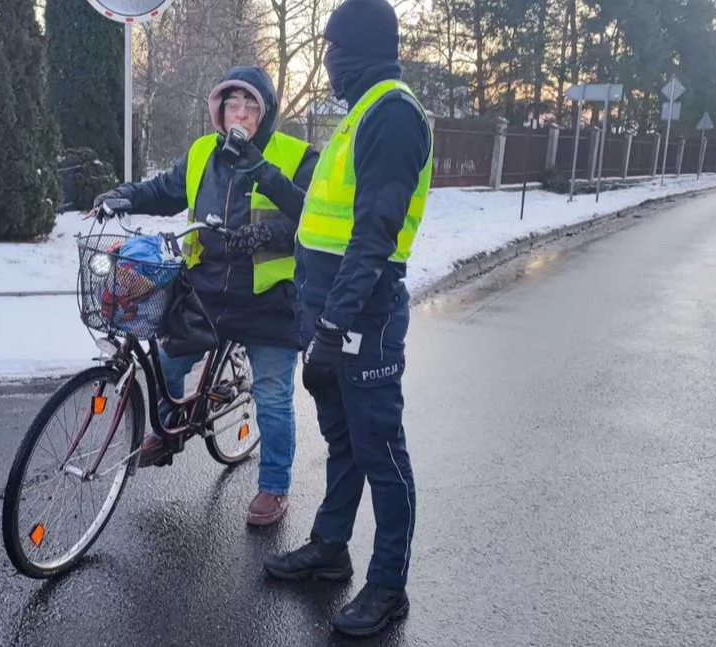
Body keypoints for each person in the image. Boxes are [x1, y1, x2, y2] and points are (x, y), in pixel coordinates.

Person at [261, 0, 433, 638]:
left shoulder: (392, 115)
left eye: (333, 50)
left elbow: (375, 235)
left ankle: (388, 585)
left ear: (360, 49)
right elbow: (323, 215)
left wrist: (334, 326)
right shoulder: (361, 114)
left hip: (362, 313)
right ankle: (331, 548)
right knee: (343, 440)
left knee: (381, 449)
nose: (326, 62)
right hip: (327, 310)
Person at [93, 66, 319, 527]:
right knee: (167, 360)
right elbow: (165, 190)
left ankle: (274, 488)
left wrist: (265, 229)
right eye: (232, 104)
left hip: (269, 301)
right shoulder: (202, 153)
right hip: (206, 290)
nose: (241, 114)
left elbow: (314, 216)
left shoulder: (294, 155)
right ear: (218, 110)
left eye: (251, 106)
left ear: (266, 111)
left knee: (272, 396)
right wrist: (123, 196)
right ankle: (169, 431)